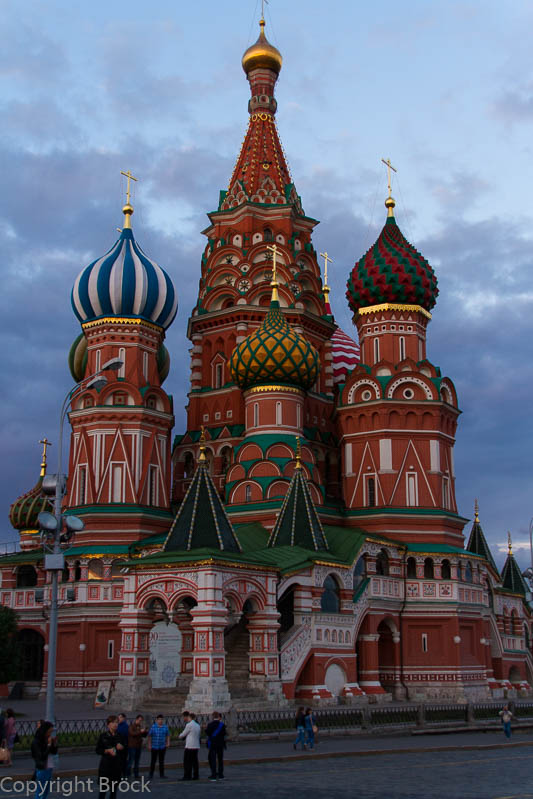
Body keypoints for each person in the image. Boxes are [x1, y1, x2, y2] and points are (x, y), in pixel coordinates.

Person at [95, 714, 125, 799]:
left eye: (116, 722)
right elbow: (98, 750)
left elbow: (125, 750)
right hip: (105, 767)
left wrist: (122, 747)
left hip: (116, 767)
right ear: (108, 724)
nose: (115, 724)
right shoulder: (103, 736)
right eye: (113, 722)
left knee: (113, 792)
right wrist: (107, 751)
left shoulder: (120, 736)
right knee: (102, 791)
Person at [31, 721, 58, 799]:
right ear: (44, 730)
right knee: (40, 791)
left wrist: (54, 744)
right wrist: (49, 745)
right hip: (42, 768)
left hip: (49, 768)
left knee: (46, 791)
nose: (50, 734)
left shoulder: (46, 739)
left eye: (51, 732)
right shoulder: (36, 742)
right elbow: (41, 756)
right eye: (49, 732)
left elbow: (54, 752)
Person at [179, 711, 201, 781]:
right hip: (196, 745)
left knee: (187, 761)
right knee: (195, 761)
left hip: (189, 746)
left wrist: (179, 736)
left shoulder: (189, 725)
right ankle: (196, 775)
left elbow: (183, 734)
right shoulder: (197, 725)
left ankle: (187, 776)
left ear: (188, 717)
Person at [205, 711, 227, 782]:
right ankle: (221, 775)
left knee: (213, 760)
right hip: (220, 744)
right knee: (220, 760)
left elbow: (207, 733)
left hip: (213, 744)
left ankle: (213, 775)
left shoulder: (210, 724)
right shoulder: (222, 725)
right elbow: (224, 734)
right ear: (218, 717)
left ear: (213, 717)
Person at [147, 714, 170, 780]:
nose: (160, 721)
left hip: (162, 746)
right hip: (154, 746)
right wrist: (149, 744)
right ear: (156, 720)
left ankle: (162, 774)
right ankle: (151, 774)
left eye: (161, 719)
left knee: (161, 761)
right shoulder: (153, 727)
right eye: (159, 719)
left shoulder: (165, 727)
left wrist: (168, 743)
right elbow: (150, 736)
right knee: (153, 761)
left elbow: (168, 735)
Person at [126, 715, 147, 779]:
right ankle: (128, 774)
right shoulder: (131, 726)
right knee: (131, 761)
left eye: (141, 721)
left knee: (137, 761)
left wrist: (145, 731)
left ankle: (136, 774)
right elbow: (132, 733)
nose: (140, 722)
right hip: (132, 746)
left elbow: (143, 735)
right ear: (136, 719)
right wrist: (140, 731)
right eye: (139, 720)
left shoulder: (140, 726)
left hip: (138, 746)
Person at [116, 713, 129, 778]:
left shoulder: (126, 726)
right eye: (118, 717)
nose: (119, 719)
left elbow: (126, 736)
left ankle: (124, 773)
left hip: (124, 746)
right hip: (117, 745)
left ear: (124, 718)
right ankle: (119, 773)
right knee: (118, 760)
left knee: (123, 760)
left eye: (120, 717)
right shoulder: (117, 725)